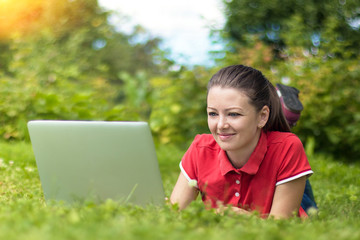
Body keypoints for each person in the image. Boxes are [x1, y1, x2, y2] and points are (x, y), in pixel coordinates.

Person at [170, 65, 314, 219]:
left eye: (233, 114)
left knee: (301, 197)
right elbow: (174, 214)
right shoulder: (201, 148)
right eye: (213, 113)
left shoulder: (287, 147)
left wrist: (241, 216)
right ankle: (276, 106)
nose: (220, 125)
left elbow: (281, 225)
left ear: (262, 116)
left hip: (284, 183)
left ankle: (284, 110)